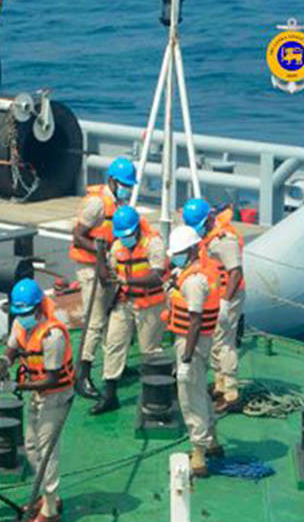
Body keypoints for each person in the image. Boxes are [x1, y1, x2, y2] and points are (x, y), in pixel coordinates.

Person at [0, 279, 76, 522]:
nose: (23, 317)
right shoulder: (21, 323)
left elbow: (51, 380)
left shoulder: (52, 336)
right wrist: (4, 364)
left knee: (47, 450)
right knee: (31, 446)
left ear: (38, 307)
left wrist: (17, 387)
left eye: (27, 312)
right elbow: (12, 349)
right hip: (38, 393)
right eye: (19, 313)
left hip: (55, 395)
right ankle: (46, 496)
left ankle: (50, 511)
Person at [68, 157, 137, 400]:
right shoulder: (96, 203)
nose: (128, 189)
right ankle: (82, 373)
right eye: (125, 184)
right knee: (95, 321)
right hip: (91, 269)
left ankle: (116, 366)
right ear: (112, 180)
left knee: (113, 320)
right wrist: (102, 254)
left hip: (108, 266)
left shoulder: (118, 203)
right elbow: (78, 236)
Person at [95, 205, 168, 415]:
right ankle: (110, 395)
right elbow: (105, 279)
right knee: (114, 344)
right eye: (121, 235)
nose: (125, 238)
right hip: (125, 302)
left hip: (150, 305)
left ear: (137, 229)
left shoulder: (153, 242)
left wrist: (127, 279)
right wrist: (100, 253)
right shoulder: (117, 246)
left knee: (150, 352)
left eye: (128, 234)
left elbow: (156, 275)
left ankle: (158, 393)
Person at [165, 226, 225, 478]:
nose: (174, 257)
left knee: (191, 397)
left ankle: (198, 457)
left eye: (178, 252)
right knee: (201, 391)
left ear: (190, 250)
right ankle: (213, 443)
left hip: (191, 343)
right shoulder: (202, 270)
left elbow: (195, 321)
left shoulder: (193, 281)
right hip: (203, 340)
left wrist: (186, 359)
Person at [183, 198, 246, 413]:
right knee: (215, 338)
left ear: (209, 219)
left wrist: (226, 304)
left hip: (229, 295)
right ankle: (220, 384)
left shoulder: (224, 239)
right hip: (215, 295)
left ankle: (231, 392)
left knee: (223, 342)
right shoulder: (207, 236)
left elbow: (236, 273)